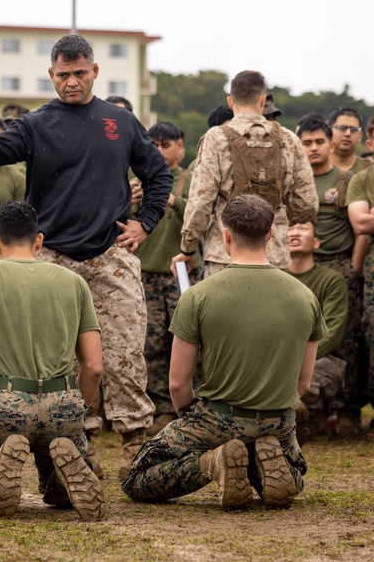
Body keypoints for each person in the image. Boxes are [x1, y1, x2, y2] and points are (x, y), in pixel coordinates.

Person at [0, 34, 173, 479]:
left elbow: (158, 173)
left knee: (123, 353)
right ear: (51, 75)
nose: (72, 82)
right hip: (53, 258)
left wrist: (146, 222)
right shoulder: (37, 123)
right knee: (62, 357)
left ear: (95, 71)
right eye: (63, 75)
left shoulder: (119, 121)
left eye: (80, 73)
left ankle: (136, 443)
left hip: (109, 256)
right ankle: (76, 441)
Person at [122, 195, 322, 510]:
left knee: (138, 478)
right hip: (278, 420)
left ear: (225, 235)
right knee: (292, 472)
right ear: (270, 235)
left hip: (219, 417)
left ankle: (214, 462)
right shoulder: (306, 296)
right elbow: (303, 384)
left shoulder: (198, 295)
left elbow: (177, 383)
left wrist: (192, 419)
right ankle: (259, 461)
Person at [0, 201, 104, 519]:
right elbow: (94, 367)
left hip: (7, 402)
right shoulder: (74, 282)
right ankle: (60, 480)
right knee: (59, 491)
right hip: (63, 402)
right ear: (38, 240)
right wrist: (77, 413)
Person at [174, 70, 316, 278]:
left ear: (231, 102)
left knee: (224, 311)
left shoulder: (216, 137)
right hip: (273, 254)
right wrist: (278, 218)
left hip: (225, 254)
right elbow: (308, 203)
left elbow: (200, 202)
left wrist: (188, 248)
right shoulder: (288, 139)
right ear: (263, 100)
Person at [297, 118, 365, 436]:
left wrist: (353, 267)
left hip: (339, 265)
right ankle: (310, 409)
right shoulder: (295, 182)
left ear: (331, 144)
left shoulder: (348, 179)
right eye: (307, 143)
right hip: (301, 267)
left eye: (319, 141)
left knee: (346, 340)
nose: (313, 148)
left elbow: (358, 227)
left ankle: (347, 411)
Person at [133, 122, 195, 435]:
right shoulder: (136, 182)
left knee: (184, 341)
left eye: (166, 145)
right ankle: (159, 407)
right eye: (153, 145)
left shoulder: (189, 179)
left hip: (180, 275)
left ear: (181, 148)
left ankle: (185, 405)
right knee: (151, 344)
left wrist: (173, 199)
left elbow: (201, 214)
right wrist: (130, 201)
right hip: (144, 274)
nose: (160, 151)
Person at [347, 114, 374, 439]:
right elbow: (361, 224)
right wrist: (371, 214)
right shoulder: (362, 180)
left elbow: (371, 216)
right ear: (370, 143)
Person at [284, 221, 348, 440]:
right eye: (290, 229)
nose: (294, 233)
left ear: (316, 242)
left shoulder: (332, 280)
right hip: (279, 358)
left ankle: (310, 416)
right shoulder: (274, 278)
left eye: (302, 229)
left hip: (323, 358)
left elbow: (332, 331)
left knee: (305, 382)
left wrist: (292, 360)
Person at [328, 108, 373, 174]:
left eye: (354, 129)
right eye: (342, 128)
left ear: (360, 136)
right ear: (329, 132)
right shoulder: (314, 168)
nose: (348, 134)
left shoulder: (372, 171)